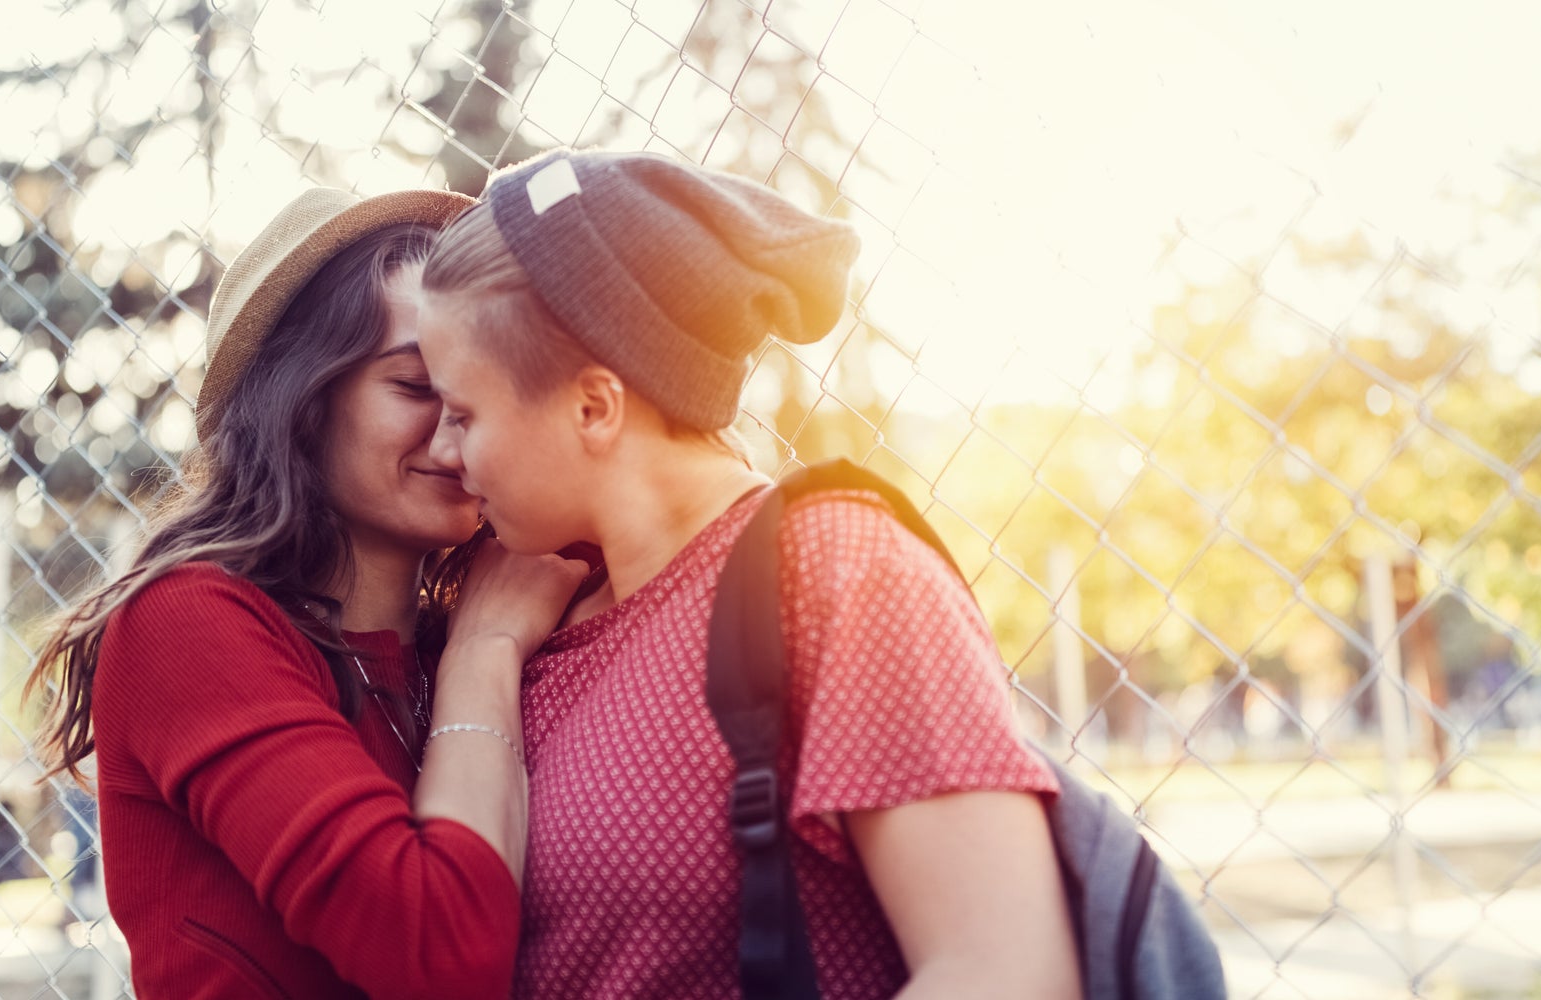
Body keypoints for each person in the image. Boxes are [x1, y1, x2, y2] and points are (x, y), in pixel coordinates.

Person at [418, 149, 1080, 999]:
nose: (443, 450)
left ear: (594, 407)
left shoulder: (835, 572)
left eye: (463, 413)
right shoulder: (540, 621)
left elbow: (1003, 970)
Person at [26, 188, 588, 1000]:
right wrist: (483, 650)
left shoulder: (477, 630)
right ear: (303, 399)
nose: (460, 426)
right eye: (416, 386)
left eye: (479, 389)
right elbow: (437, 956)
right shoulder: (184, 624)